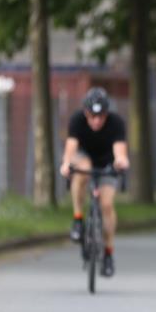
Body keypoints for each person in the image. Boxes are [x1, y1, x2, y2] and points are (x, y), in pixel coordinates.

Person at [60, 88, 130, 277]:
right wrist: (66, 164)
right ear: (86, 113)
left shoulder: (116, 123)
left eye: (101, 116)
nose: (97, 121)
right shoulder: (77, 120)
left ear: (107, 113)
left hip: (107, 164)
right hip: (84, 161)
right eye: (92, 116)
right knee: (82, 168)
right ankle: (77, 218)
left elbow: (120, 151)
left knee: (106, 205)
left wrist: (121, 161)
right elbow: (71, 147)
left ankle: (108, 253)